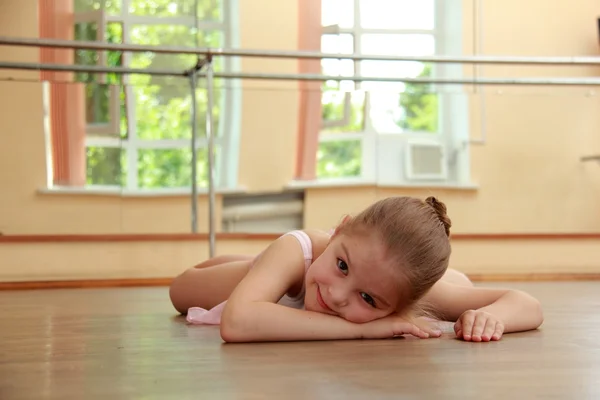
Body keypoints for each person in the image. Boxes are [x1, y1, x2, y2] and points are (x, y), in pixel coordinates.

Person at [169, 196, 544, 343]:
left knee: (455, 287)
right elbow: (238, 323)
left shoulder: (403, 289)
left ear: (396, 306)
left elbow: (525, 303)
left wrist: (490, 317)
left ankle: (453, 277)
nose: (334, 294)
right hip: (243, 272)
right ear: (340, 229)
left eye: (367, 298)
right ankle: (257, 266)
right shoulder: (295, 249)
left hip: (438, 282)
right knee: (219, 278)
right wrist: (364, 328)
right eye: (342, 265)